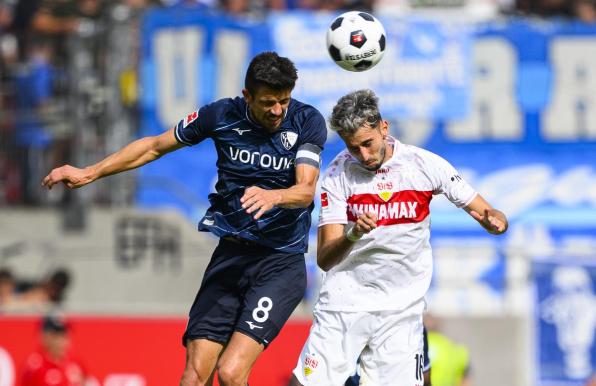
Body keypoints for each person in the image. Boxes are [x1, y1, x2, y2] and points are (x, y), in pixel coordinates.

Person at [42, 51, 327, 386]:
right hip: (231, 256)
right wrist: (90, 173)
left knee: (231, 373)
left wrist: (274, 195)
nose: (278, 111)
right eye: (268, 102)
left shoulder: (306, 120)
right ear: (247, 96)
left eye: (284, 101)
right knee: (193, 376)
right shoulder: (220, 114)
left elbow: (306, 189)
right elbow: (154, 146)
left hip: (279, 263)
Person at [290, 89, 507, 386]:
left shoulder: (424, 164)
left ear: (384, 127)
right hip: (345, 304)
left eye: (368, 144)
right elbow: (325, 258)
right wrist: (353, 235)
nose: (364, 156)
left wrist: (495, 222)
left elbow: (486, 212)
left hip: (400, 311)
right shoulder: (338, 174)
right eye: (354, 148)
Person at [21, 314, 88, 386]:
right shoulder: (34, 367)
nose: (61, 341)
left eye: (64, 335)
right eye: (56, 336)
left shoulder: (76, 363)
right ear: (44, 336)